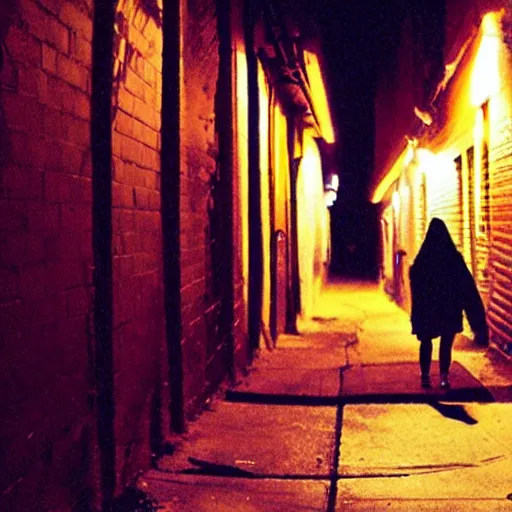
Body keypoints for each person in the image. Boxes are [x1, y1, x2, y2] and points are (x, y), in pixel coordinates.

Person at [409, 218, 488, 389]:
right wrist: (476, 317)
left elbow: (415, 281)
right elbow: (467, 285)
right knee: (446, 343)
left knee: (426, 342)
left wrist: (417, 311)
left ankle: (425, 376)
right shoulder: (454, 258)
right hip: (449, 308)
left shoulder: (423, 259)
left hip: (428, 309)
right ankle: (444, 377)